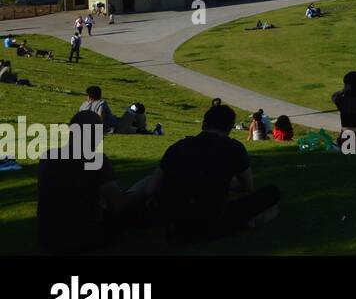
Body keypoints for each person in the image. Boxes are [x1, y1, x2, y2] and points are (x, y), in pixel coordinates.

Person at [153, 101, 280, 241]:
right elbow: (248, 186)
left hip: (176, 222)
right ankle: (245, 223)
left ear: (204, 124)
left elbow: (155, 184)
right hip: (213, 222)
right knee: (271, 194)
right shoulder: (234, 148)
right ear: (229, 128)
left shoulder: (178, 147)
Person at [37, 111, 153, 254]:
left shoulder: (48, 157)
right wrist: (143, 188)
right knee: (140, 197)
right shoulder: (95, 160)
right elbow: (119, 203)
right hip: (84, 238)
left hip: (48, 237)